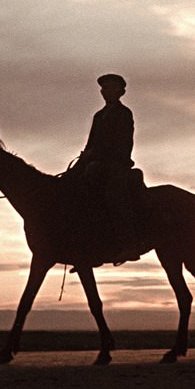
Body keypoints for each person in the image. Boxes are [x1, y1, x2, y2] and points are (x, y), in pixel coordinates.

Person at [76, 73, 143, 263]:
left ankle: (129, 244)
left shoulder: (124, 113)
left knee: (115, 195)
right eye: (105, 88)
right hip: (95, 163)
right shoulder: (98, 116)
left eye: (112, 88)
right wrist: (83, 160)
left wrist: (97, 156)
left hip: (116, 164)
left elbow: (122, 142)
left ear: (121, 92)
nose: (107, 91)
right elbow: (91, 143)